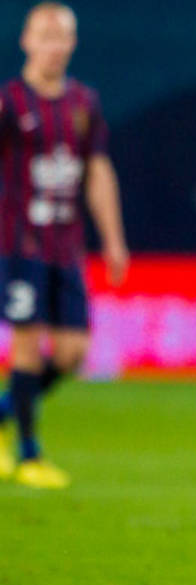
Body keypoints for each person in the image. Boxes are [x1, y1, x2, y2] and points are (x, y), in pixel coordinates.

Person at [0, 2, 128, 489]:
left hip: (66, 245)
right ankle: (29, 454)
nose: (53, 47)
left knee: (73, 351)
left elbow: (97, 170)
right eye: (44, 37)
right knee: (27, 344)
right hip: (19, 243)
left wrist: (113, 238)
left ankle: (4, 412)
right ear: (26, 41)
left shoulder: (83, 103)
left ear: (72, 43)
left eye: (61, 38)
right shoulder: (10, 103)